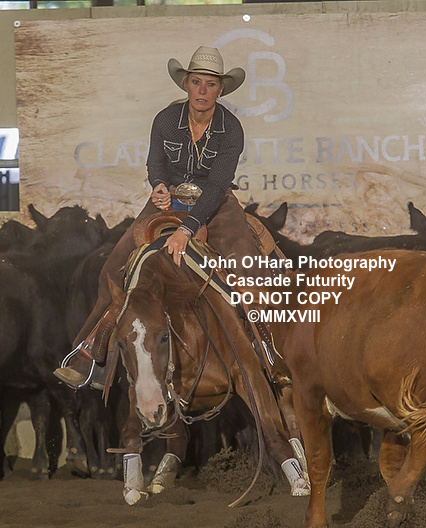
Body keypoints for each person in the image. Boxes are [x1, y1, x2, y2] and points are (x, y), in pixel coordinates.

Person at [55, 46, 269, 390]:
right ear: (186, 84)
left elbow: (217, 186)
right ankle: (90, 353)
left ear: (220, 89)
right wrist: (158, 185)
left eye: (210, 84)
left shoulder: (231, 129)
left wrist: (187, 228)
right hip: (171, 197)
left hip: (216, 203)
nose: (202, 90)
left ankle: (267, 353)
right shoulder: (166, 120)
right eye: (196, 82)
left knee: (248, 265)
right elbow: (156, 163)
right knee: (113, 268)